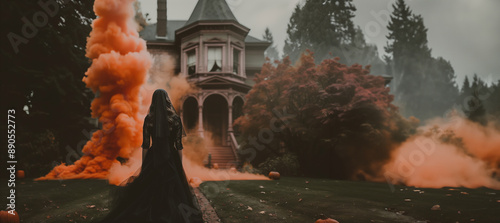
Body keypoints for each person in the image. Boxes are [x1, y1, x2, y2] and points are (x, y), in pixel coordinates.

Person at [97, 89, 204, 223]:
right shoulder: (175, 119)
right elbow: (178, 145)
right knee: (173, 188)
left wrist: (145, 163)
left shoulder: (150, 119)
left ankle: (152, 212)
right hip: (171, 156)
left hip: (153, 156)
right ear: (166, 100)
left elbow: (146, 145)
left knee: (149, 187)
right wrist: (179, 163)